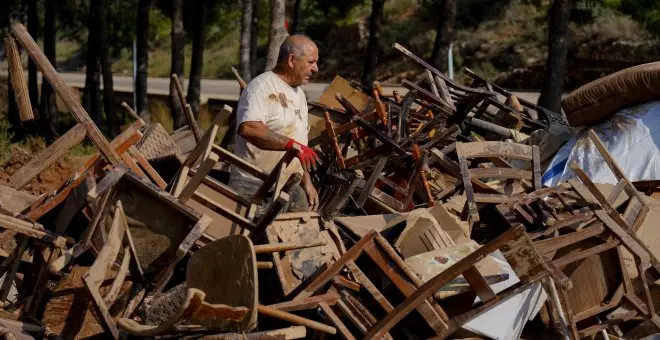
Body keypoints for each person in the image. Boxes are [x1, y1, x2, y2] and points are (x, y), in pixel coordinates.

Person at [228, 35, 322, 212]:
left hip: (288, 188)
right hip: (254, 189)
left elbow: (300, 142)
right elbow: (248, 128)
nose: (315, 69)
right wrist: (291, 145)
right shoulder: (261, 87)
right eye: (311, 62)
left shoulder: (299, 95)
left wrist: (307, 182)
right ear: (292, 60)